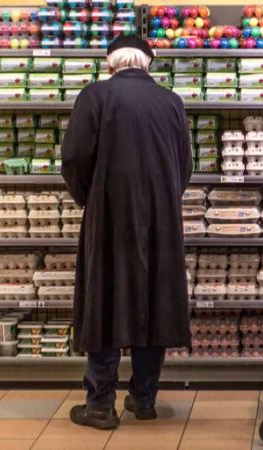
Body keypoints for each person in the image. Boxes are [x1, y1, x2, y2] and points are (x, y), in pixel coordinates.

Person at [61, 35, 193, 430]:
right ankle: (144, 397)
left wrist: (92, 199)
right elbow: (184, 166)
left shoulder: (94, 97)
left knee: (104, 298)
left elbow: (74, 159)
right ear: (149, 64)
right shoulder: (171, 102)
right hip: (160, 218)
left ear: (110, 64)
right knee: (154, 299)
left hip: (109, 216)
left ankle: (101, 404)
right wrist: (163, 201)